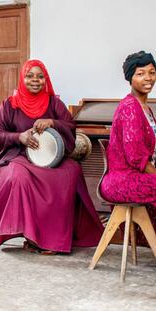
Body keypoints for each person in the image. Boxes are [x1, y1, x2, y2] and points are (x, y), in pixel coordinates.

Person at [0, 59, 103, 254]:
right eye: (30, 76)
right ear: (22, 79)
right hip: (21, 158)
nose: (35, 80)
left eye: (40, 76)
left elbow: (70, 128)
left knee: (71, 171)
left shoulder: (55, 104)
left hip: (53, 160)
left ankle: (56, 237)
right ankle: (31, 235)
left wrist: (53, 122)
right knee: (19, 177)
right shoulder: (9, 105)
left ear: (46, 79)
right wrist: (19, 137)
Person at [100, 51, 156, 246]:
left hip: (134, 175)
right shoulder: (130, 107)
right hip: (121, 180)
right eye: (140, 73)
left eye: (152, 72)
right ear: (130, 78)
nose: (148, 78)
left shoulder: (145, 107)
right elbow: (136, 157)